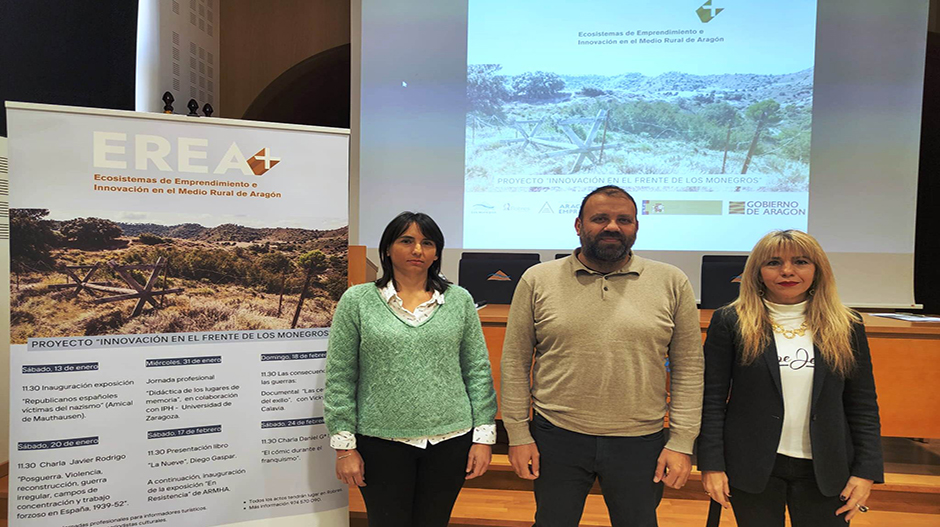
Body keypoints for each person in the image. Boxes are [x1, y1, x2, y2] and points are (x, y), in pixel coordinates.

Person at [500, 185, 704, 527]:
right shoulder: (538, 280)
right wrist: (518, 435)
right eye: (600, 219)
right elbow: (515, 362)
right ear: (578, 225)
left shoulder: (672, 281)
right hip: (557, 436)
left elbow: (689, 368)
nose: (612, 227)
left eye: (624, 219)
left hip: (641, 441)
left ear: (636, 227)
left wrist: (682, 442)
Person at [698, 229, 883, 526]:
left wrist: (866, 471)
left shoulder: (847, 325)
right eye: (773, 263)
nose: (787, 271)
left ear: (817, 270)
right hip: (752, 467)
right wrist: (711, 465)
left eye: (800, 262)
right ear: (757, 272)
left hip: (826, 468)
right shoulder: (730, 321)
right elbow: (711, 400)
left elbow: (862, 404)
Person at [324, 211, 498, 527]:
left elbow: (476, 369)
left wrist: (484, 436)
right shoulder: (357, 300)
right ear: (388, 248)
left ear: (436, 252)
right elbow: (340, 375)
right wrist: (344, 447)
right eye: (407, 241)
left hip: (450, 439)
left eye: (427, 242)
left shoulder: (458, 300)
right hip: (381, 442)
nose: (418, 250)